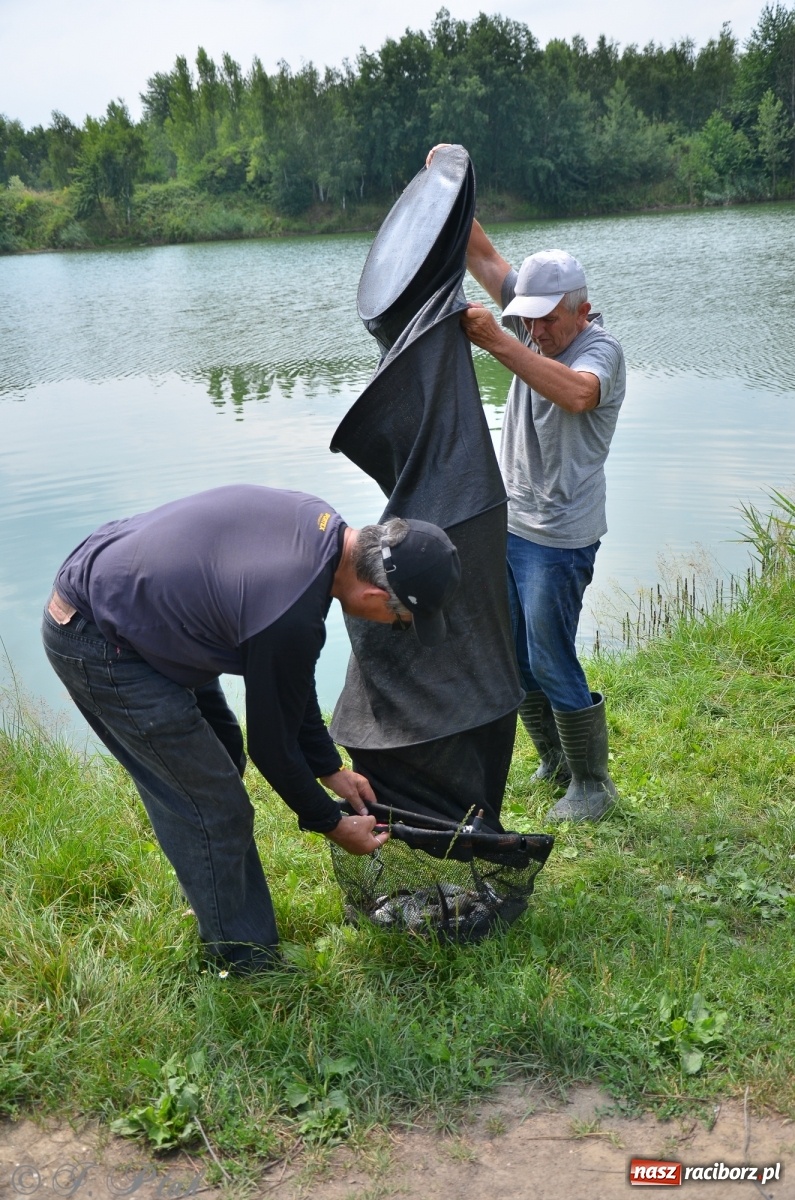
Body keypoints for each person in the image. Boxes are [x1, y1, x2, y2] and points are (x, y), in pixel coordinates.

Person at [42, 484, 461, 972]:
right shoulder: (290, 610)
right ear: (372, 594)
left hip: (137, 604)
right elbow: (272, 745)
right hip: (98, 635)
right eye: (402, 619)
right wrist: (329, 822)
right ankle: (247, 965)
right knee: (215, 807)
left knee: (221, 756)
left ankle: (213, 897)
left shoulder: (326, 532)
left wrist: (328, 768)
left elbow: (289, 681)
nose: (397, 627)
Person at [426, 145, 625, 822]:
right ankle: (554, 760)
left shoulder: (599, 352)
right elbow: (479, 255)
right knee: (511, 654)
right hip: (507, 524)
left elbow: (574, 395)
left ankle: (593, 787)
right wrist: (446, 184)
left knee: (548, 652)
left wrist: (497, 340)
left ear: (582, 309)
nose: (536, 330)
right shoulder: (534, 318)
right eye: (527, 317)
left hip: (560, 537)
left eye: (548, 320)